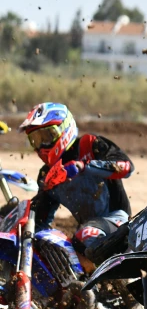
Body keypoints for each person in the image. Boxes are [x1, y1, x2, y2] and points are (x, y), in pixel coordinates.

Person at [18, 103, 134, 255]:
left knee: (84, 236)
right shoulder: (48, 173)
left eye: (46, 136)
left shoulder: (90, 145)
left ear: (64, 129)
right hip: (87, 231)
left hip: (118, 222)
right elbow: (40, 218)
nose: (41, 145)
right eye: (36, 140)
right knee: (49, 246)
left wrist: (84, 166)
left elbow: (126, 167)